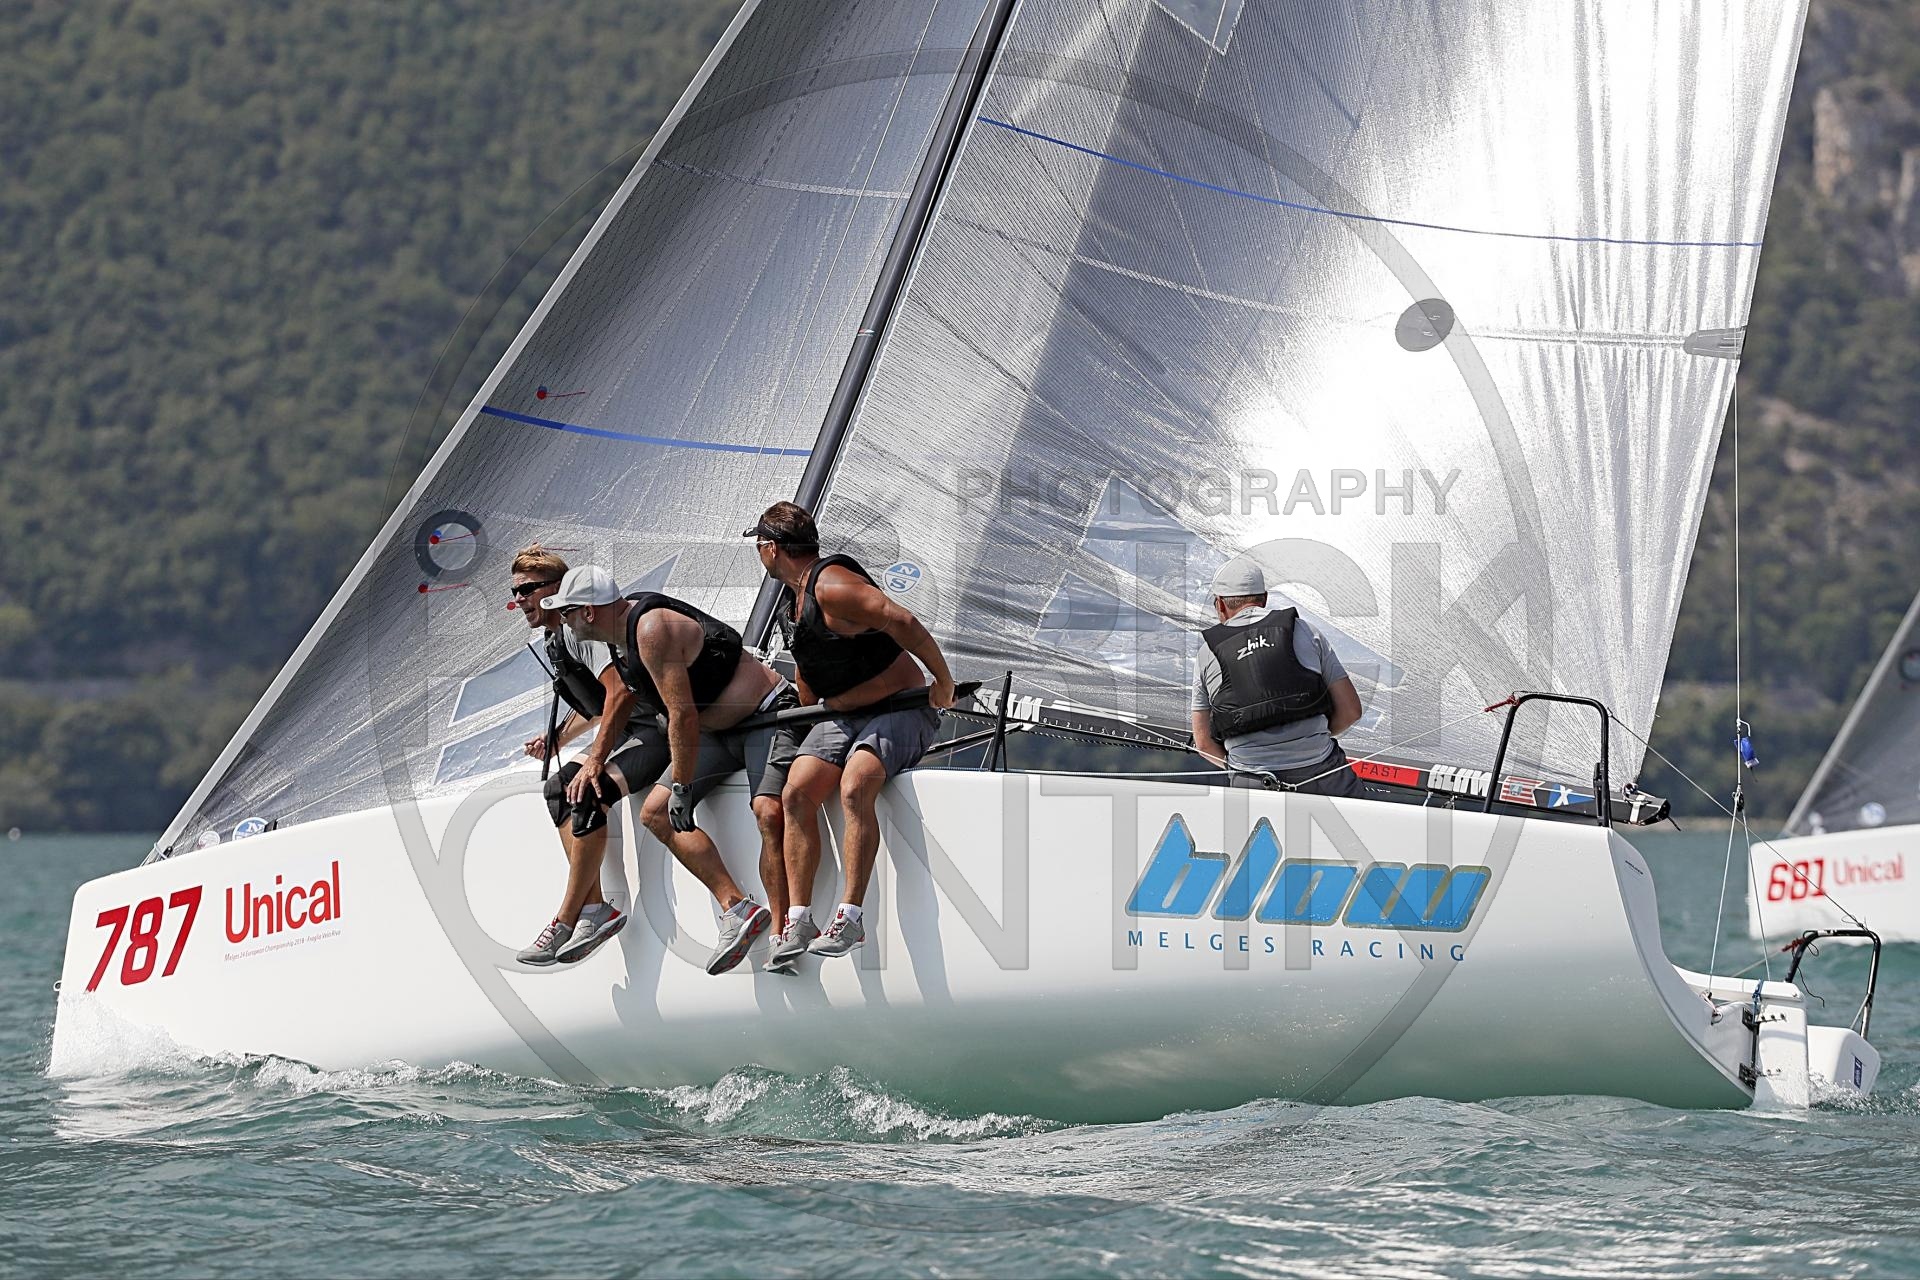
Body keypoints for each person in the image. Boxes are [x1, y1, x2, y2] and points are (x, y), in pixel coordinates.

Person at [544, 564, 802, 975]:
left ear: (588, 613)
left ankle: (784, 933)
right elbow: (626, 706)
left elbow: (682, 715)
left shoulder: (649, 630)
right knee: (655, 813)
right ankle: (737, 909)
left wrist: (681, 785)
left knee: (767, 812)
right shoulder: (617, 642)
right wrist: (589, 755)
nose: (564, 623)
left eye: (566, 613)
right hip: (718, 733)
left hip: (765, 714)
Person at [746, 502, 956, 968]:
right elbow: (807, 667)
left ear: (772, 548)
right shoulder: (792, 599)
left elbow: (903, 620)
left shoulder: (832, 585)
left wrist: (942, 682)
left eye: (758, 545)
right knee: (796, 792)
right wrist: (809, 719)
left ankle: (851, 917)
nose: (758, 553)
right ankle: (800, 919)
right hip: (845, 713)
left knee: (856, 782)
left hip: (901, 706)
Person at [508, 545, 642, 966]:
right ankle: (594, 907)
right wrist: (557, 740)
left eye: (528, 589)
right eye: (516, 591)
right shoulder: (556, 637)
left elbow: (620, 692)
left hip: (649, 729)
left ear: (556, 589)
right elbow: (597, 706)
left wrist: (595, 760)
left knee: (582, 789)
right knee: (557, 789)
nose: (520, 599)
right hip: (625, 728)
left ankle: (566, 917)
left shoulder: (581, 629)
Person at [1189, 556, 1365, 798]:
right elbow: (1351, 710)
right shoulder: (1305, 631)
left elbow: (1203, 743)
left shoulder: (1206, 654)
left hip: (1250, 783)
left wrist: (1240, 767)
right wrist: (1313, 739)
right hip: (1323, 773)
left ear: (1219, 605)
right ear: (1264, 599)